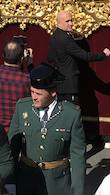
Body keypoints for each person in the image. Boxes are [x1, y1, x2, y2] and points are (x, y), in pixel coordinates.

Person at [8, 63, 86, 195]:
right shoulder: (23, 107)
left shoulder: (71, 114)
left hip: (56, 184)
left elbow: (78, 156)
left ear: (53, 92)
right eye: (32, 91)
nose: (34, 97)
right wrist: (9, 182)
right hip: (27, 180)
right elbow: (12, 148)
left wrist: (77, 191)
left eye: (38, 93)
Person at [46, 11, 109, 103]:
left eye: (71, 21)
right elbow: (85, 56)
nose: (71, 24)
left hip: (60, 85)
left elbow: (50, 58)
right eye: (67, 21)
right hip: (69, 87)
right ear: (59, 22)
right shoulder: (65, 39)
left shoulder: (54, 35)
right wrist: (103, 55)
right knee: (71, 114)